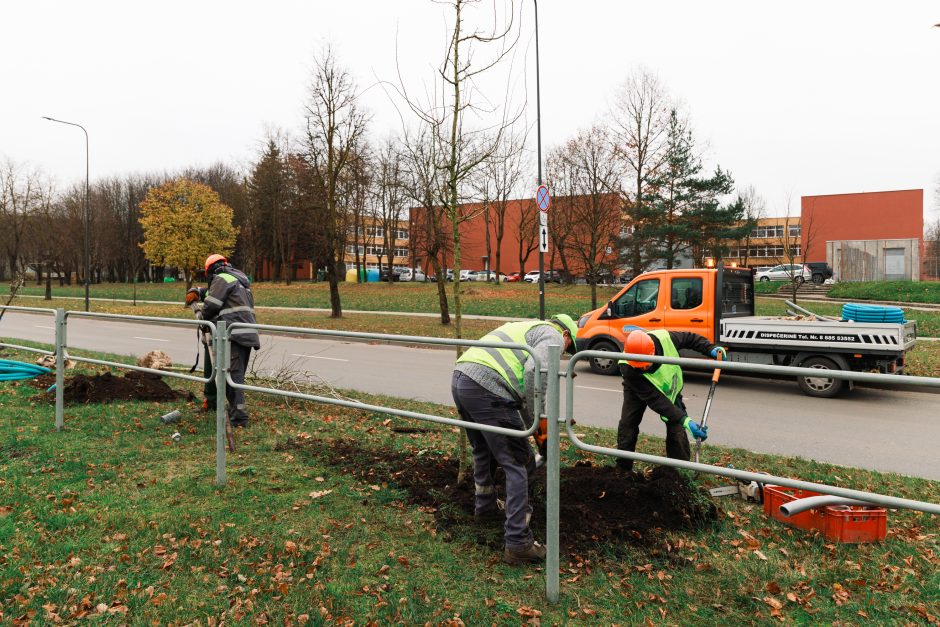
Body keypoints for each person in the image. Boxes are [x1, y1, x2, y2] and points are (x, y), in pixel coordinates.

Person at [451, 314, 578, 565]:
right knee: (519, 463)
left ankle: (485, 507)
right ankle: (518, 542)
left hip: (462, 379)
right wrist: (537, 418)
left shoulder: (525, 328)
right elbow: (534, 371)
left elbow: (518, 394)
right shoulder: (551, 336)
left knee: (484, 451)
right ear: (565, 335)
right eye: (569, 349)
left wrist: (533, 425)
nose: (564, 354)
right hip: (488, 387)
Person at [616, 328, 725, 471]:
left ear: (653, 352)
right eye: (639, 367)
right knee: (627, 425)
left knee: (677, 427)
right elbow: (656, 400)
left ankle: (679, 470)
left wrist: (710, 348)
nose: (642, 369)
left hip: (670, 389)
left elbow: (689, 337)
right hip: (638, 390)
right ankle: (622, 470)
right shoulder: (628, 367)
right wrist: (685, 419)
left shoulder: (665, 339)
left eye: (645, 365)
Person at [187, 254, 261, 428]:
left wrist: (201, 317)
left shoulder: (221, 278)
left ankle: (239, 419)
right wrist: (198, 291)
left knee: (232, 378)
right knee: (234, 377)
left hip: (234, 335)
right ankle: (236, 411)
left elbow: (212, 304)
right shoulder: (238, 279)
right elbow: (218, 293)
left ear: (209, 271)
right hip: (246, 334)